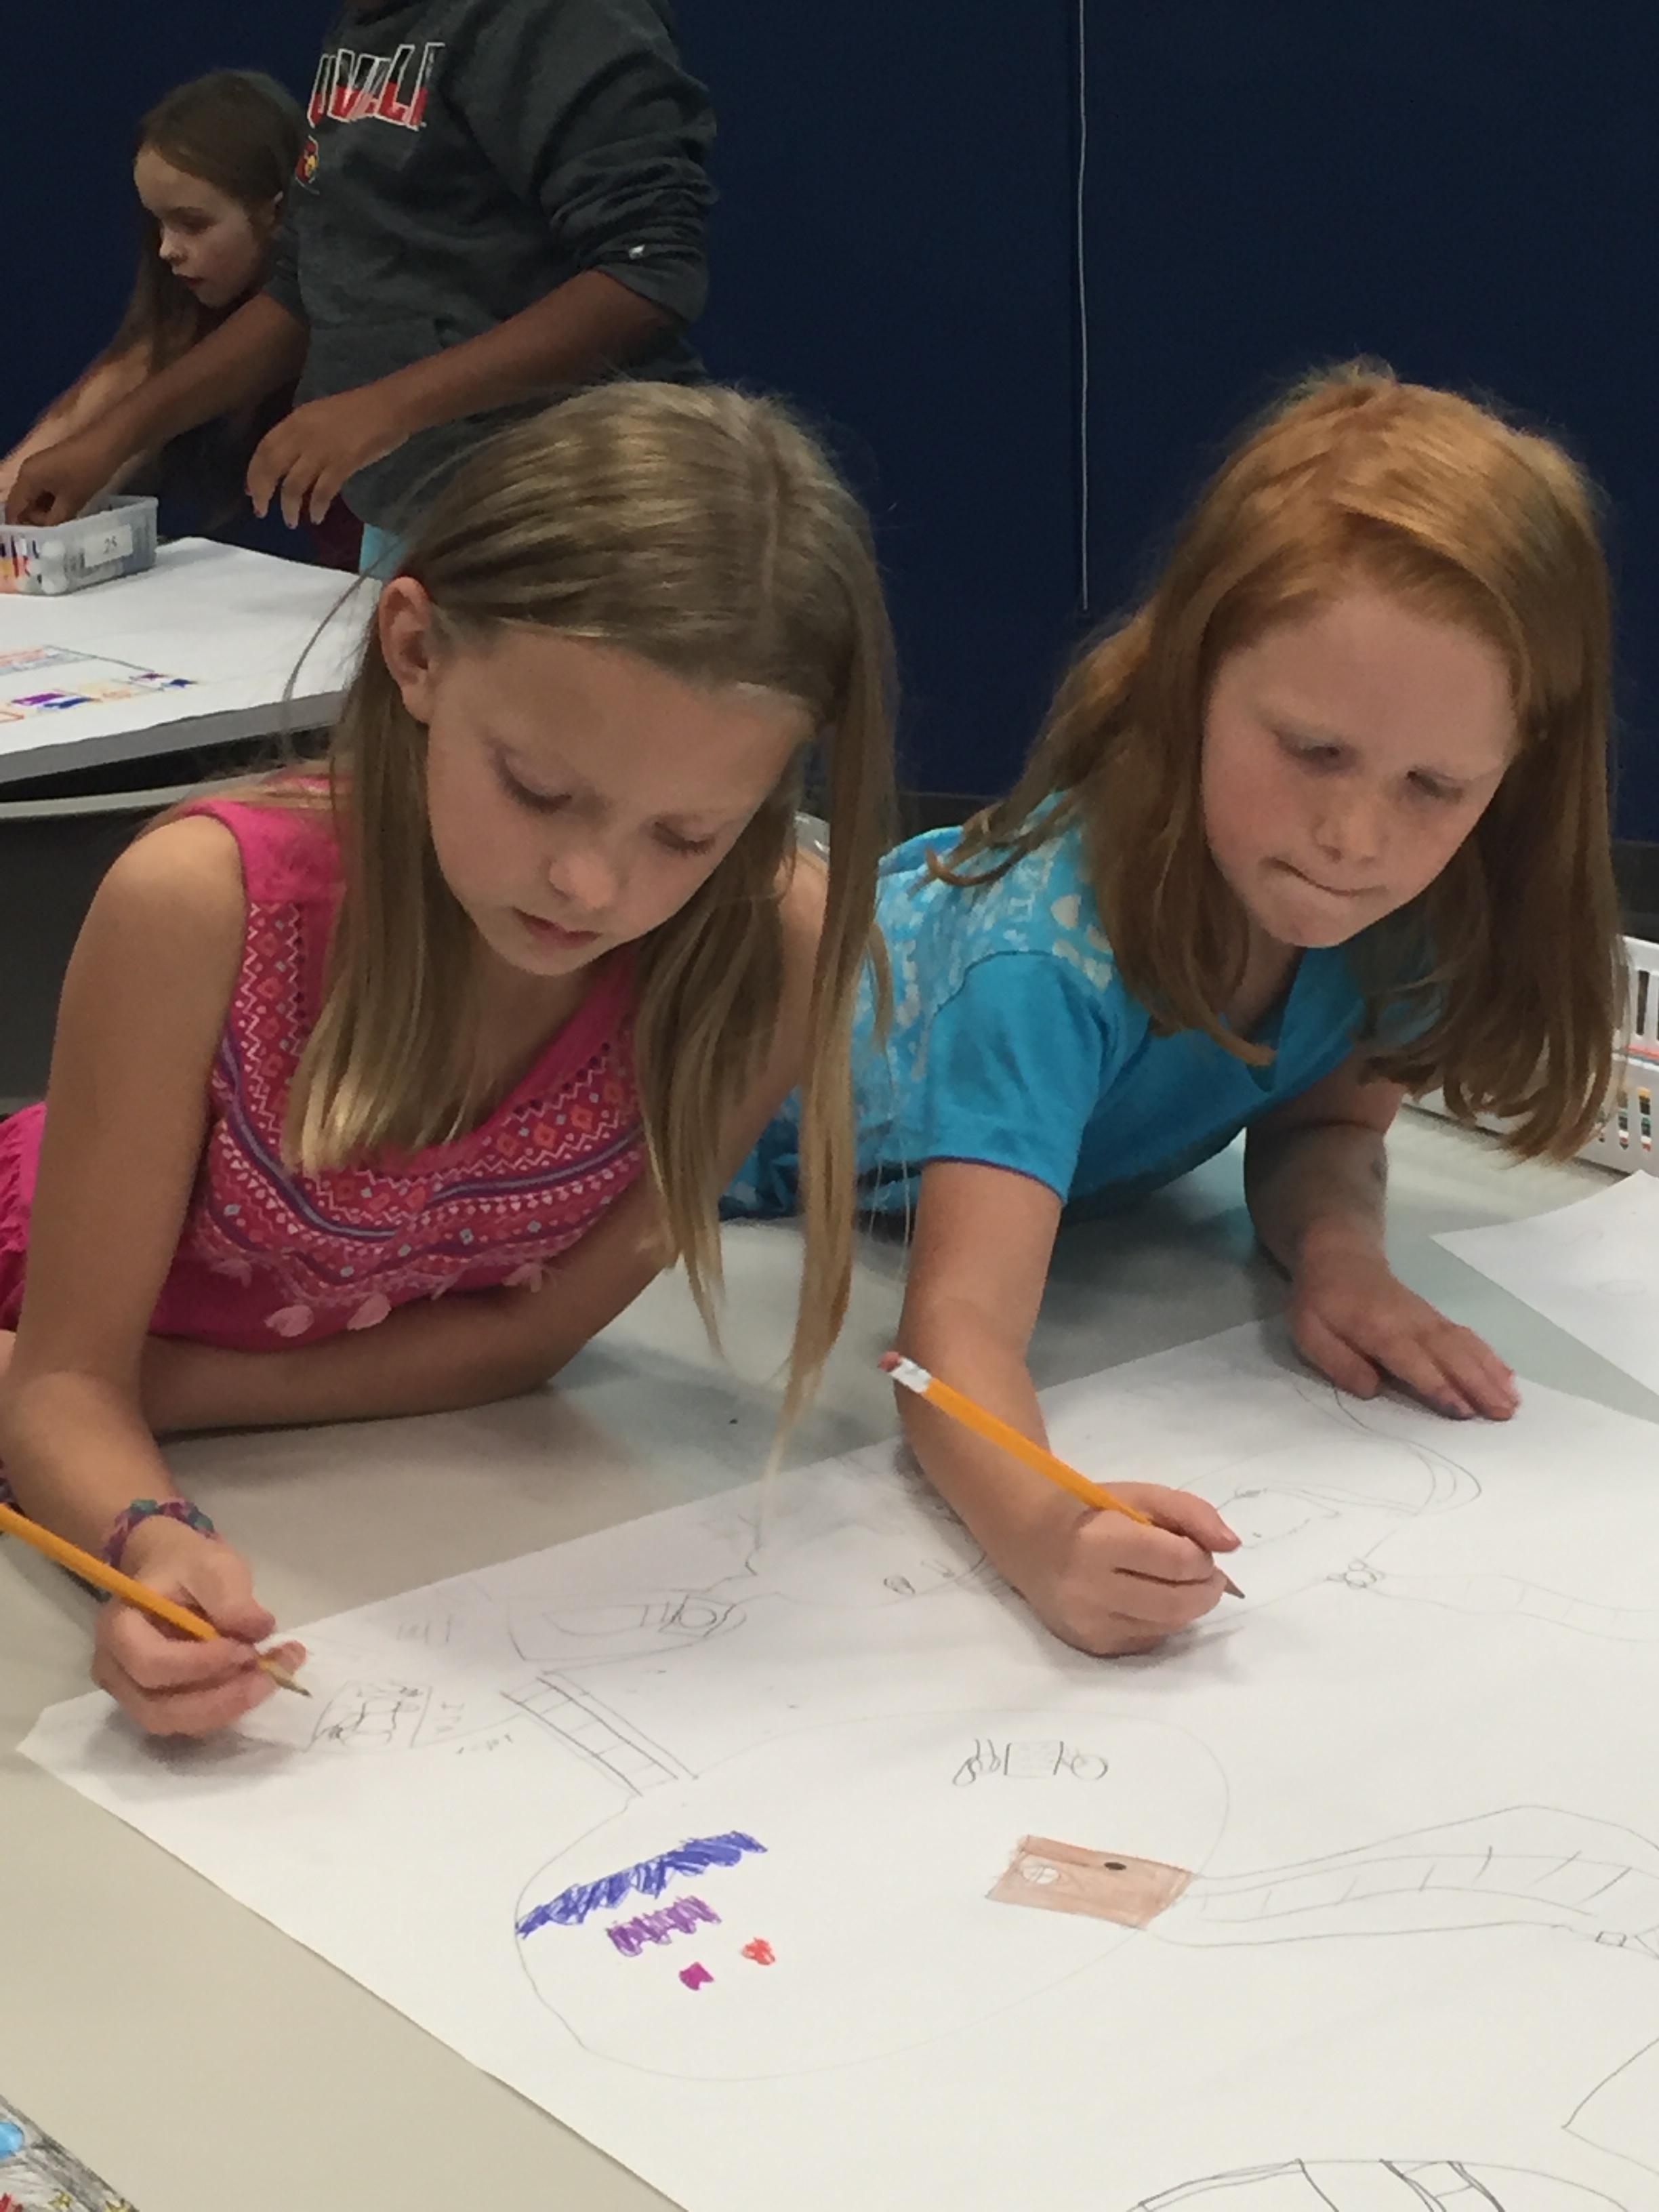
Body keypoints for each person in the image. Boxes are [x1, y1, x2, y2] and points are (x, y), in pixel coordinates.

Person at [0, 382, 895, 1737]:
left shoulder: (774, 953)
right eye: (538, 789)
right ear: (415, 651)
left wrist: (139, 1391)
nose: (591, 881)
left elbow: (529, 1344)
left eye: (688, 835)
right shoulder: (201, 909)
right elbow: (70, 1382)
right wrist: (146, 1529)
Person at [729, 364, 1623, 1661]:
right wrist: (1046, 1528)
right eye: (1312, 750)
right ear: (1189, 679)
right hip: (710, 1138)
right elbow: (949, 1337)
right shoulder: (1044, 958)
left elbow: (1323, 1122)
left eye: (1432, 784)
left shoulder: (1402, 912)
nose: (1355, 835)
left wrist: (1338, 1255)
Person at [5, 0, 716, 575]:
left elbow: (646, 272)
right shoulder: (368, 25)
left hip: (563, 526)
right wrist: (114, 438)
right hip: (412, 515)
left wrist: (385, 407)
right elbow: (306, 285)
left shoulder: (562, 19)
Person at [0, 72, 359, 560]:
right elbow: (33, 475)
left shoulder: (353, 331)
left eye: (193, 224)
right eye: (158, 222)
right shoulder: (175, 337)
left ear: (279, 214)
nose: (167, 249)